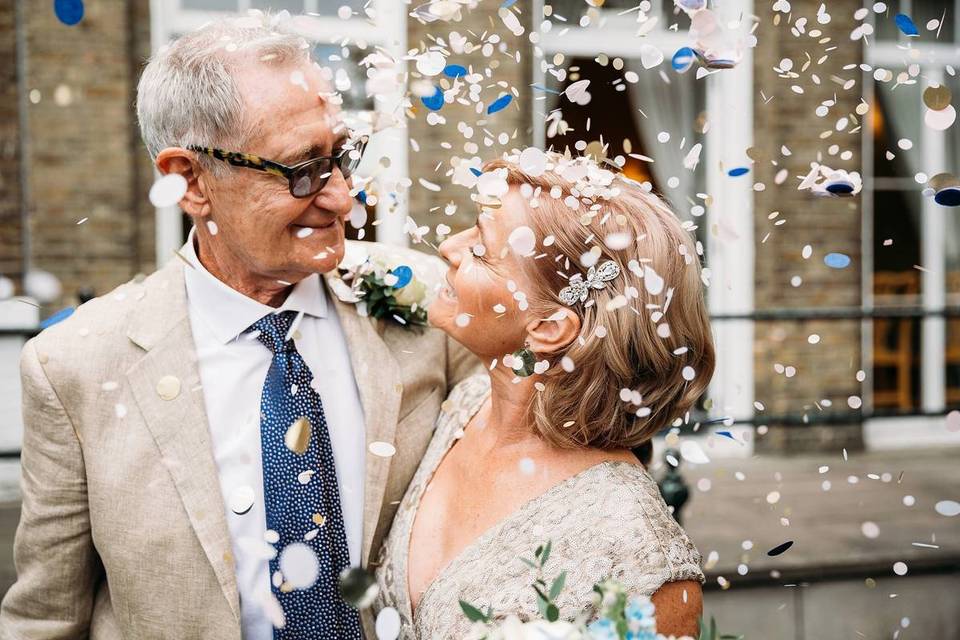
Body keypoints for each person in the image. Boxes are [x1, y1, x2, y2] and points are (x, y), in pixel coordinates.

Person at [0, 14, 478, 640]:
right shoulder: (75, 367)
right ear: (189, 179)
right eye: (302, 170)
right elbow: (45, 620)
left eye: (343, 156)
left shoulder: (431, 305)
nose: (342, 197)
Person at [373, 151, 715, 639]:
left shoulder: (637, 552)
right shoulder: (463, 405)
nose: (449, 247)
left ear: (549, 327)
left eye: (481, 250)